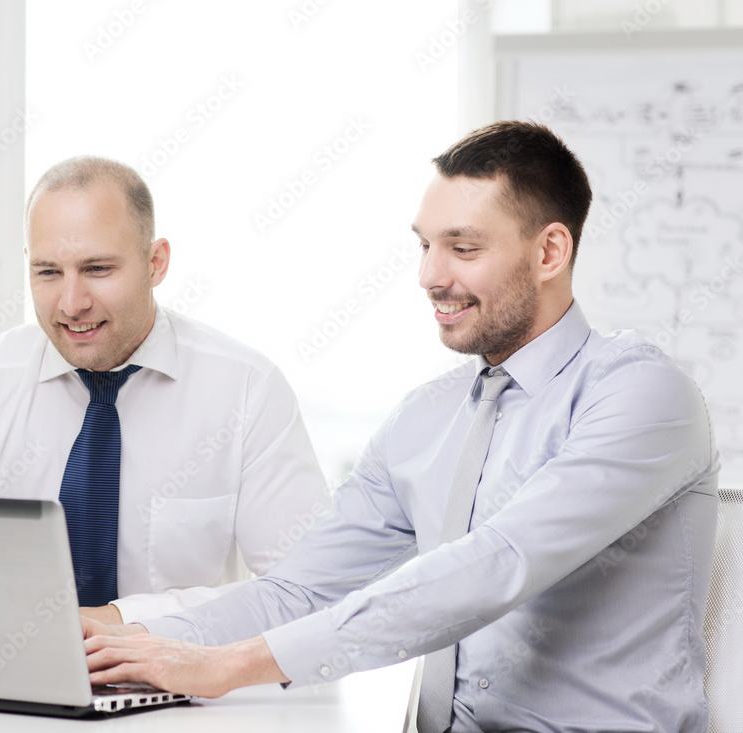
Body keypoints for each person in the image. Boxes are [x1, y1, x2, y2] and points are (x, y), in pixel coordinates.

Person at [81, 122, 720, 733]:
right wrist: (126, 643)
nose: (430, 277)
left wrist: (228, 666)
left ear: (550, 251)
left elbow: (499, 563)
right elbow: (299, 592)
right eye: (425, 246)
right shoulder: (425, 417)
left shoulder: (640, 395)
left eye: (463, 249)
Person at [0, 156, 330, 624]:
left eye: (98, 269)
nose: (71, 304)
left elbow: (306, 591)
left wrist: (122, 622)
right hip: (3, 664)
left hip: (184, 670)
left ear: (155, 263)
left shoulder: (248, 391)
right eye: (48, 272)